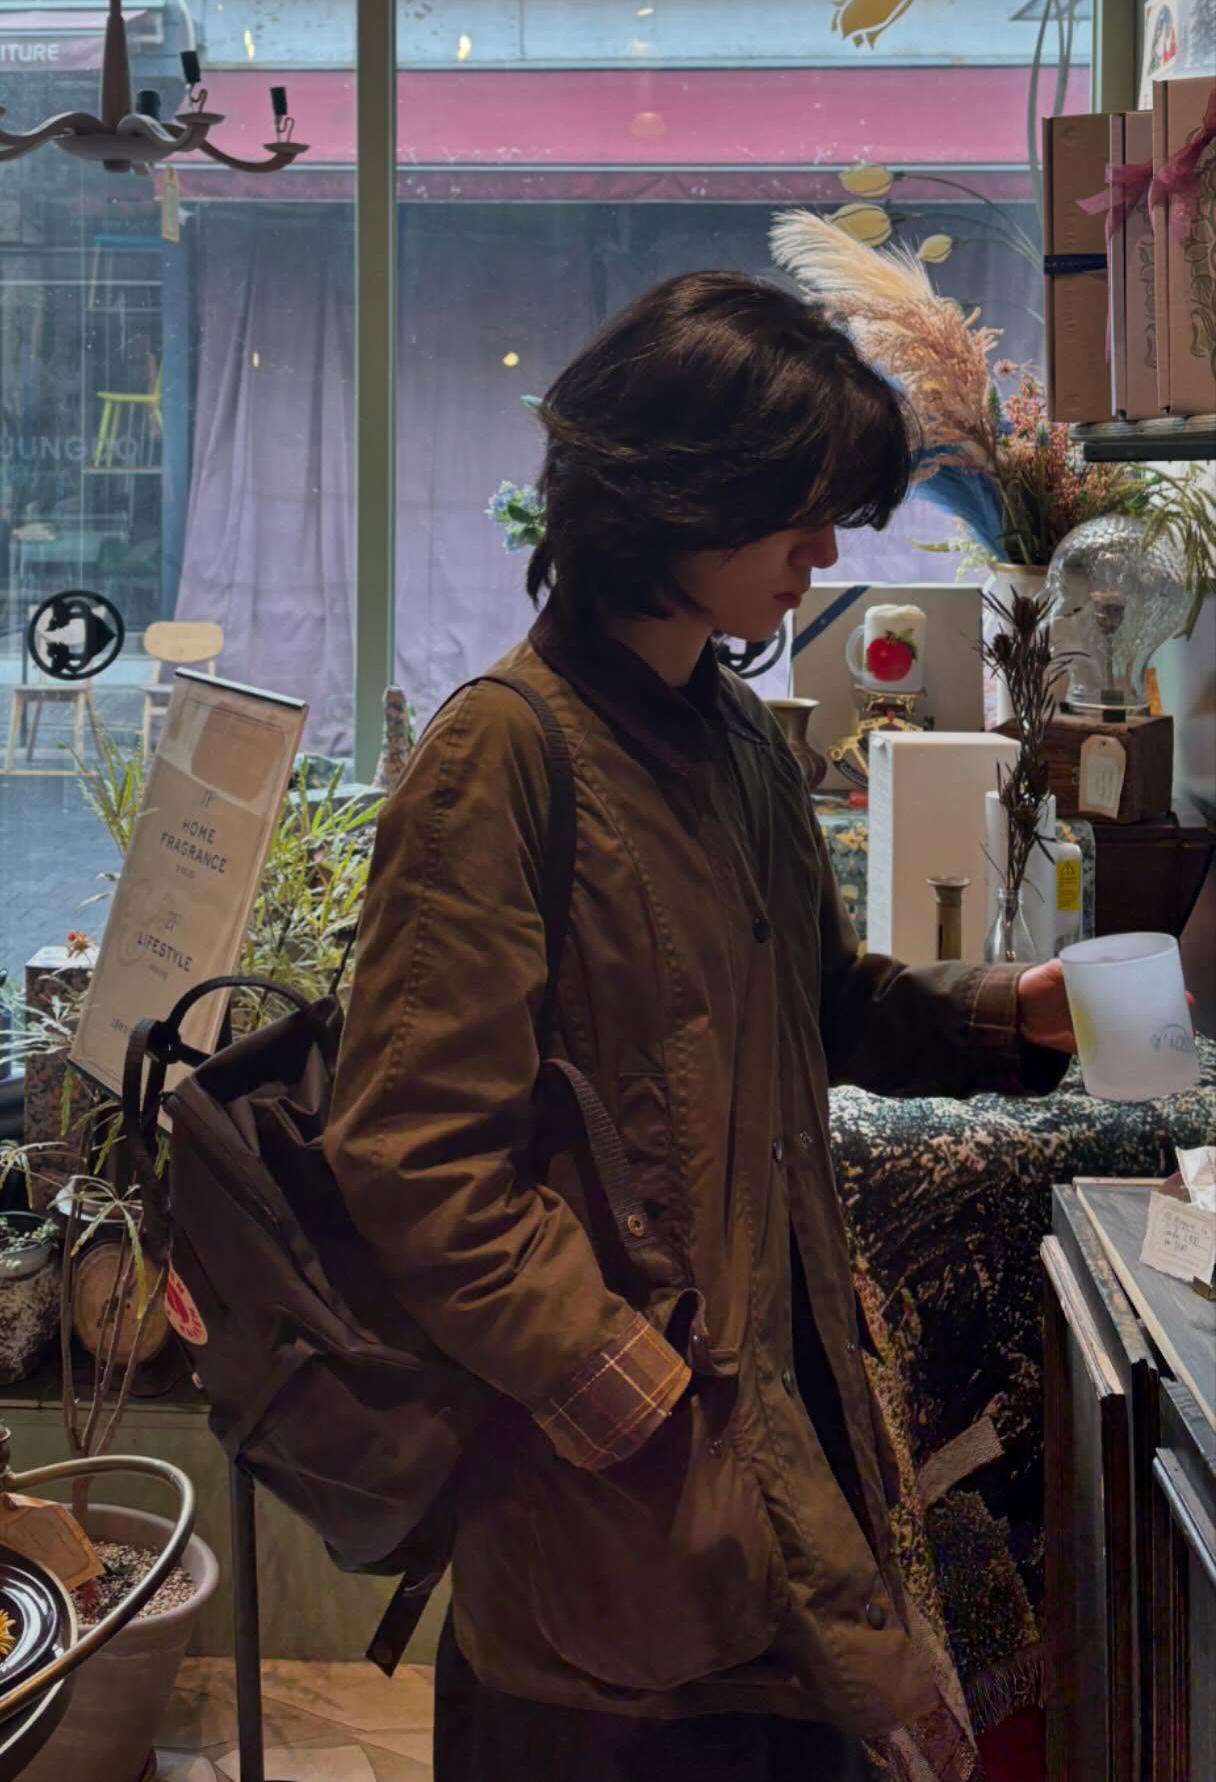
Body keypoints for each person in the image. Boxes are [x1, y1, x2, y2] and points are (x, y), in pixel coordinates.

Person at [325, 272, 1076, 1780]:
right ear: (679, 494)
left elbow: (822, 1007)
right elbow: (413, 1158)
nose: (826, 553)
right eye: (799, 514)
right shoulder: (503, 756)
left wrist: (1016, 1013)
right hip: (607, 1519)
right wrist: (633, 1395)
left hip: (774, 1446)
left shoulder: (735, 738)